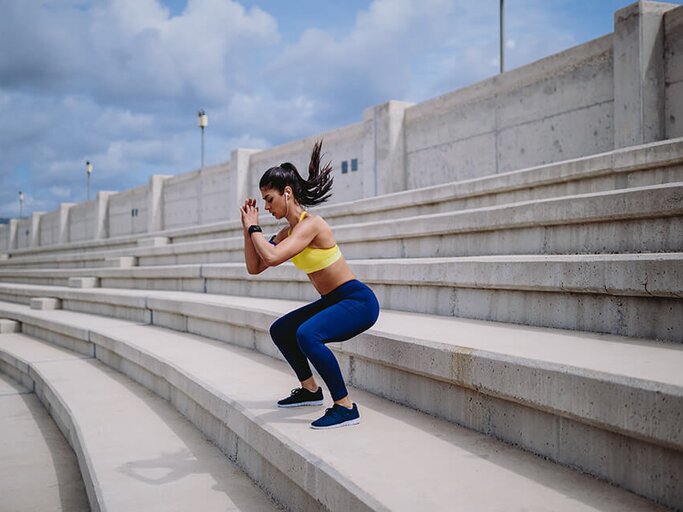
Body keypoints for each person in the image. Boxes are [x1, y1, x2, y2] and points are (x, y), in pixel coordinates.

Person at [240, 140, 380, 430]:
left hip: (356, 301)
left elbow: (274, 257)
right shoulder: (286, 232)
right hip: (332, 301)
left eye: (269, 199)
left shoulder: (311, 225)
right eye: (263, 201)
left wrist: (255, 229)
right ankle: (310, 390)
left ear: (286, 193)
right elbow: (255, 267)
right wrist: (247, 231)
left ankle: (345, 406)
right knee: (282, 330)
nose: (266, 206)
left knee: (307, 334)